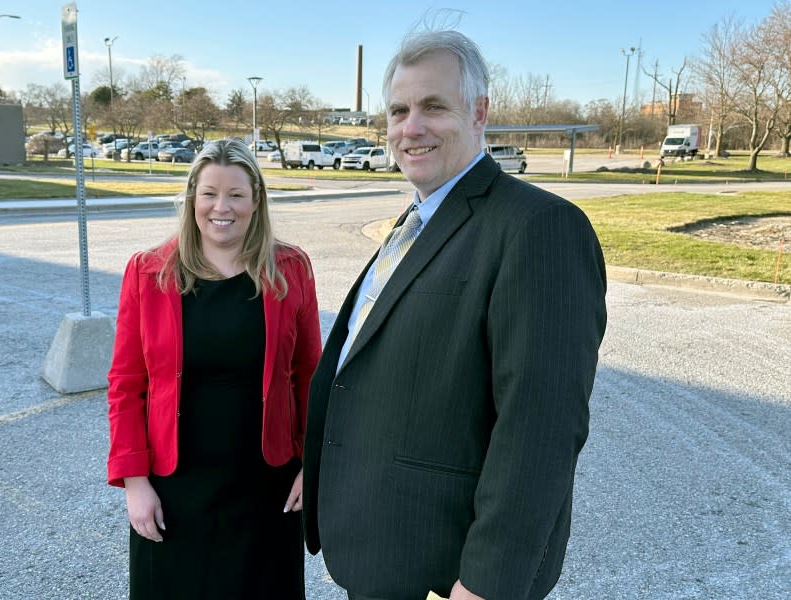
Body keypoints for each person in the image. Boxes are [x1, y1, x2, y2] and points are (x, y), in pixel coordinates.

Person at [302, 29, 607, 600]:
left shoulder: (538, 228)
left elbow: (540, 428)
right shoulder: (415, 222)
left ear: (479, 111)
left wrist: (485, 584)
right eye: (398, 110)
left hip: (448, 573)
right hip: (381, 554)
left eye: (433, 106)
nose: (409, 127)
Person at [107, 138, 321, 599]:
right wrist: (134, 482)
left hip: (268, 489)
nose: (221, 207)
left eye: (236, 194)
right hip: (173, 492)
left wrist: (314, 464)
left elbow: (310, 375)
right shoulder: (148, 273)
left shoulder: (290, 269)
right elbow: (126, 385)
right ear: (192, 199)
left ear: (256, 200)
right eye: (209, 193)